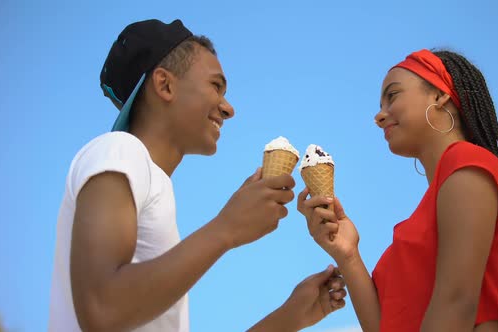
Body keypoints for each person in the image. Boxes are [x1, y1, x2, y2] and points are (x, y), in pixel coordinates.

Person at [48, 19, 346, 331]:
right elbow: (102, 310)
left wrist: (288, 319)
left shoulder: (151, 185)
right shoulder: (119, 150)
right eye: (216, 86)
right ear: (165, 85)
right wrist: (226, 228)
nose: (229, 108)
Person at [298, 49, 498, 331]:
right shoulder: (432, 206)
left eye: (393, 95)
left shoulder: (467, 162)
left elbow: (456, 303)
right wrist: (347, 254)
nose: (379, 115)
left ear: (439, 95)